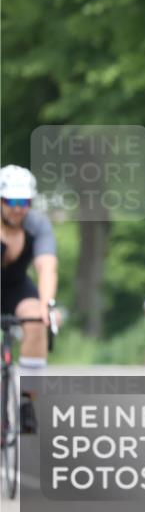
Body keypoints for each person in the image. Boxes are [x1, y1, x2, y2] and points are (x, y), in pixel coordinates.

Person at [0, 165, 59, 433]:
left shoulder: (37, 225)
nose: (18, 208)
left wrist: (47, 304)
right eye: (11, 201)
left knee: (36, 319)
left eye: (25, 202)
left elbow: (46, 267)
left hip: (16, 288)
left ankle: (27, 401)